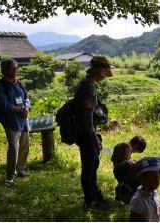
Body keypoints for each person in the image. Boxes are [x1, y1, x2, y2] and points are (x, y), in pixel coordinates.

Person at [74, 56, 112, 209]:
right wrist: (94, 138)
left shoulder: (85, 82)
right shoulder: (89, 87)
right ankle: (90, 200)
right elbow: (87, 116)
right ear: (100, 72)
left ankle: (94, 193)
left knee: (93, 164)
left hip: (85, 131)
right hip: (86, 133)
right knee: (89, 168)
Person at [0, 59, 31, 185]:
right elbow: (3, 105)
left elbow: (26, 98)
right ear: (4, 70)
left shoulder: (19, 83)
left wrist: (26, 107)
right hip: (11, 121)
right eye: (12, 68)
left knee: (24, 145)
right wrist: (20, 110)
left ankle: (21, 169)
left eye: (16, 68)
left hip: (23, 119)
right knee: (14, 148)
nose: (15, 70)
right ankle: (10, 175)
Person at [129, 157, 160, 222]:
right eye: (146, 179)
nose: (151, 182)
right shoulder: (137, 202)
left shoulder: (154, 192)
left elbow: (153, 207)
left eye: (155, 177)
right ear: (139, 179)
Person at [111, 136, 146, 203]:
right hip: (122, 171)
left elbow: (113, 158)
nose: (133, 152)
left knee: (120, 183)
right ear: (136, 145)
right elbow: (124, 163)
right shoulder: (127, 149)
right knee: (125, 183)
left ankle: (118, 197)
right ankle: (124, 197)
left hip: (116, 169)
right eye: (136, 151)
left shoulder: (120, 145)